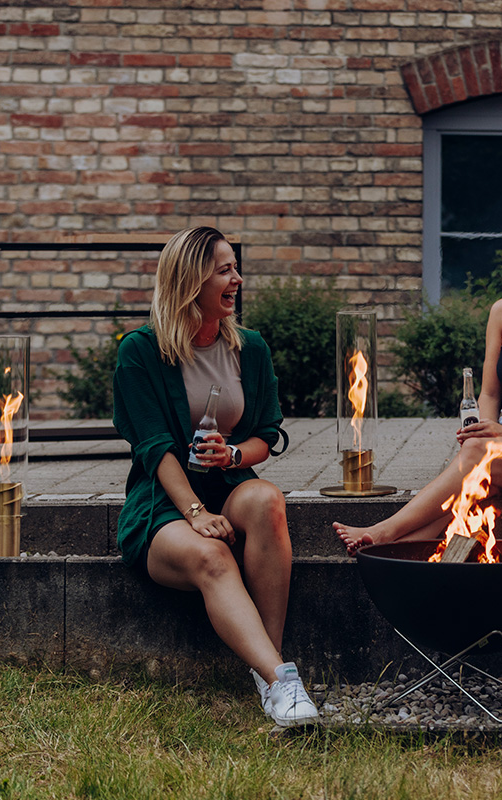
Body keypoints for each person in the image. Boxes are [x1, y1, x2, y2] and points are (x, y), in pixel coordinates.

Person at [112, 226, 319, 728]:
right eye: (224, 270)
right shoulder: (140, 351)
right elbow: (154, 447)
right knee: (212, 553)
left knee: (267, 500)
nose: (237, 280)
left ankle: (272, 676)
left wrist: (231, 455)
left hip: (226, 483)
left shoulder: (250, 348)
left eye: (234, 269)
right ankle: (279, 678)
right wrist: (195, 512)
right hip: (164, 499)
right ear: (191, 281)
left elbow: (267, 435)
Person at [333, 216, 502, 553]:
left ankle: (385, 531)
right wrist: (481, 430)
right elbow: (490, 393)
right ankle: (391, 551)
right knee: (472, 483)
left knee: (480, 457)